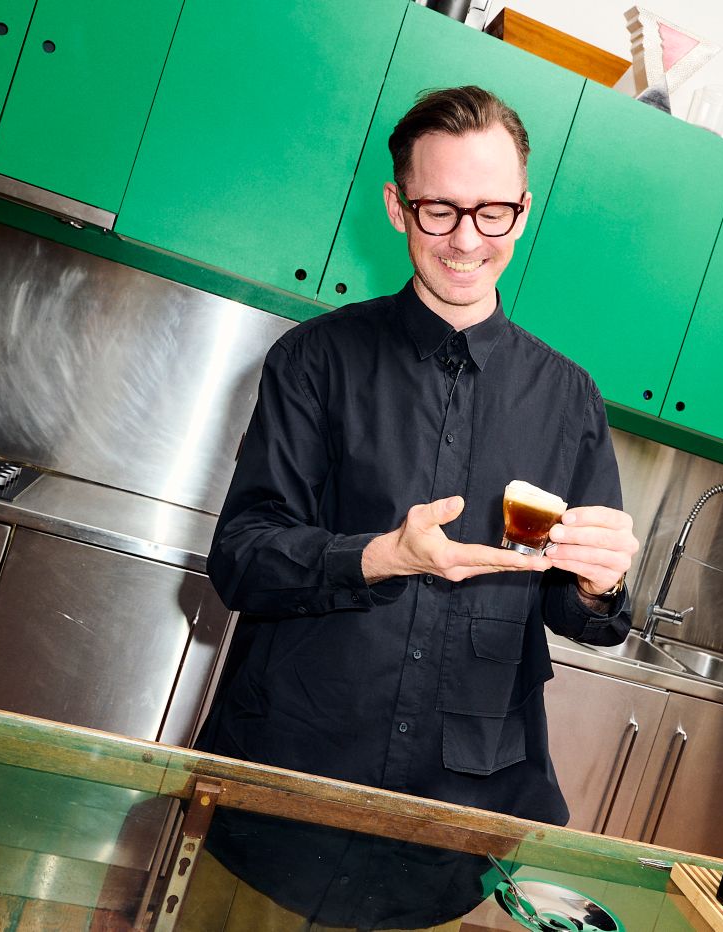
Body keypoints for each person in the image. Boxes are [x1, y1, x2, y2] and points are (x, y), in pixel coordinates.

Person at [188, 86, 640, 930]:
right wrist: (382, 555)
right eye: (439, 210)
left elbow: (589, 619)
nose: (467, 240)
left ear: (524, 209)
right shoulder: (314, 361)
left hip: (449, 841)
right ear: (398, 206)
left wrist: (598, 585)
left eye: (493, 212)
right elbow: (241, 559)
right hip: (283, 800)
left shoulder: (570, 400)